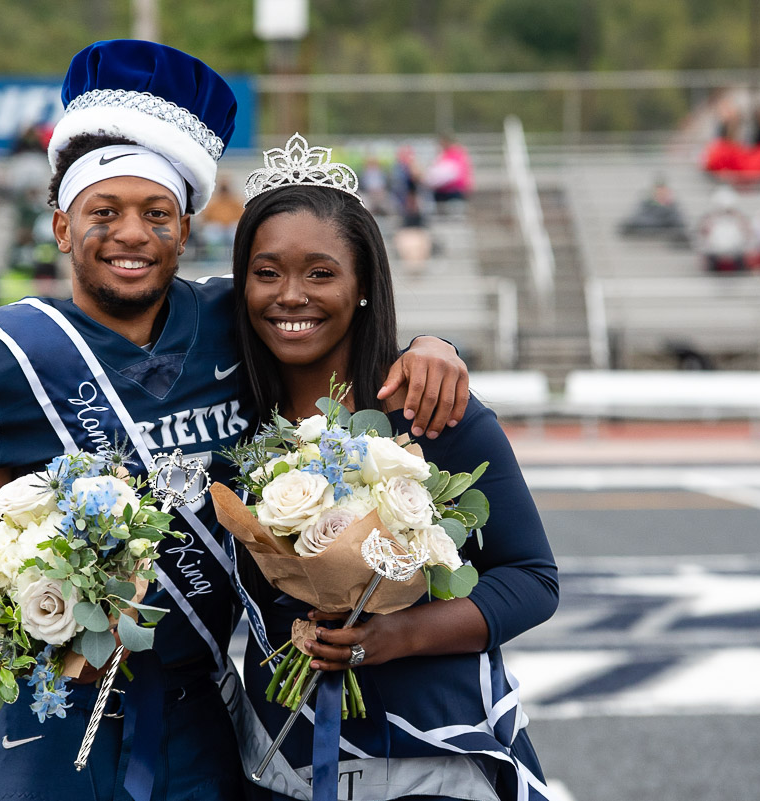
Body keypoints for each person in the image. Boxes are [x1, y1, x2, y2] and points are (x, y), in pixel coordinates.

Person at [0, 40, 471, 801]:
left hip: (197, 710)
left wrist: (433, 346)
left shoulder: (230, 322)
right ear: (62, 226)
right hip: (49, 720)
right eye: (103, 211)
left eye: (156, 213)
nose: (132, 234)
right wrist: (56, 616)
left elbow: (328, 327)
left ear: (186, 227)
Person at [229, 133, 558, 801]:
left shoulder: (430, 409)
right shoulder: (231, 422)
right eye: (267, 272)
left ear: (363, 286)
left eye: (321, 273)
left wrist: (395, 636)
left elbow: (531, 579)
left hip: (430, 748)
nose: (290, 295)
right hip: (280, 753)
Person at [697, 186, 750, 273]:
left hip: (735, 254)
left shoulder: (740, 220)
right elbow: (703, 240)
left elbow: (746, 238)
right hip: (715, 255)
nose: (725, 212)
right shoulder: (708, 220)